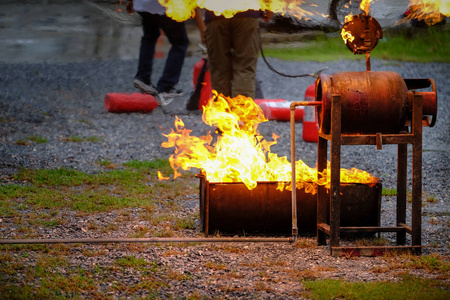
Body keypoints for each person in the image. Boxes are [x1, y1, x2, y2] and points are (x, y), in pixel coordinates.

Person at [126, 0, 205, 98]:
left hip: (142, 4)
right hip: (164, 6)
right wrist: (202, 29)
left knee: (150, 36)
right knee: (180, 42)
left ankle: (142, 78)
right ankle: (166, 86)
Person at [204, 9, 272, 99]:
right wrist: (268, 9)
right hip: (247, 12)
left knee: (219, 69)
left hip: (216, 14)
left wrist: (201, 27)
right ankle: (241, 109)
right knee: (245, 68)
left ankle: (222, 109)